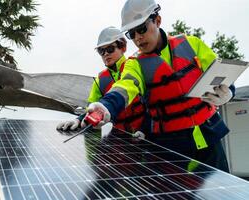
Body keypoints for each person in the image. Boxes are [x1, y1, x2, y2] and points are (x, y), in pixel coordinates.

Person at [83, 0, 235, 172]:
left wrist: (230, 91)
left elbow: (221, 74)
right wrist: (105, 106)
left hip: (210, 138)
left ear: (157, 20)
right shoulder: (135, 64)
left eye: (141, 29)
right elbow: (125, 86)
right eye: (131, 33)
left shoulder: (192, 44)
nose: (138, 38)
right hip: (172, 150)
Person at [57, 26, 147, 135]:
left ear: (123, 47)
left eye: (110, 49)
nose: (105, 54)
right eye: (101, 51)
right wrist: (78, 120)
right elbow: (91, 109)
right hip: (118, 137)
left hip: (143, 135)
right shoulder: (100, 79)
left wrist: (144, 129)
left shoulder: (134, 65)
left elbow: (130, 87)